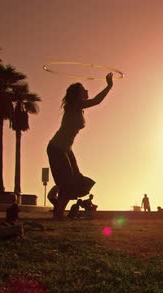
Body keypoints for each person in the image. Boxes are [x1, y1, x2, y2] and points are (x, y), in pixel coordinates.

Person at [47, 73, 114, 219]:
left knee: (75, 179)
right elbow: (96, 100)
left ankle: (59, 213)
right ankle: (58, 214)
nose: (86, 91)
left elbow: (93, 101)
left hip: (66, 149)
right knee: (67, 182)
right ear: (77, 94)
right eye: (83, 89)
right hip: (56, 148)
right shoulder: (74, 105)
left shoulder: (78, 107)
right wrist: (108, 86)